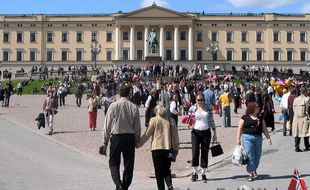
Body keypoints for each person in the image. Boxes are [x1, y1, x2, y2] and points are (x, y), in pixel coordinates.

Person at [102, 84, 141, 190]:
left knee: (114, 162)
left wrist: (105, 141)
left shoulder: (113, 106)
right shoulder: (134, 107)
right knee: (129, 163)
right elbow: (137, 127)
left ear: (119, 93)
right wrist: (137, 140)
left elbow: (107, 124)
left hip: (116, 136)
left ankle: (118, 184)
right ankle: (125, 186)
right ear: (129, 93)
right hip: (129, 137)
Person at [136, 105, 179, 190]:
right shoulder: (171, 121)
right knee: (167, 169)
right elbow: (175, 137)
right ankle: (170, 185)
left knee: (158, 172)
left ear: (156, 112)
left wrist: (138, 144)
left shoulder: (154, 120)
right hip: (168, 149)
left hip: (156, 149)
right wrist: (176, 148)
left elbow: (147, 135)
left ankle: (161, 188)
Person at [236, 102, 272, 181]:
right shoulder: (244, 117)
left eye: (258, 107)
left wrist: (268, 138)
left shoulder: (260, 117)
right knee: (250, 155)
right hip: (247, 138)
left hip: (258, 138)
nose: (259, 108)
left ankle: (254, 169)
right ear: (252, 108)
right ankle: (250, 173)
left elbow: (264, 129)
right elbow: (240, 128)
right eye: (257, 107)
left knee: (257, 156)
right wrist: (238, 139)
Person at [189, 93, 217, 182]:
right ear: (196, 100)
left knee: (205, 152)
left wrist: (214, 133)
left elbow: (212, 120)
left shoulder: (208, 107)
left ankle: (203, 173)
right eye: (198, 100)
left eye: (201, 100)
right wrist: (189, 124)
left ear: (204, 100)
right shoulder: (193, 108)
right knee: (195, 152)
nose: (200, 102)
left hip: (206, 132)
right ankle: (195, 172)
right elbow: (189, 120)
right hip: (195, 132)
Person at [292, 87, 310, 152]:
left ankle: (297, 147)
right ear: (305, 92)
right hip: (304, 117)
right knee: (306, 132)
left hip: (296, 118)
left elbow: (293, 109)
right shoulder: (307, 99)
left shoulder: (295, 99)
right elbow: (308, 109)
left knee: (297, 133)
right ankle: (307, 146)